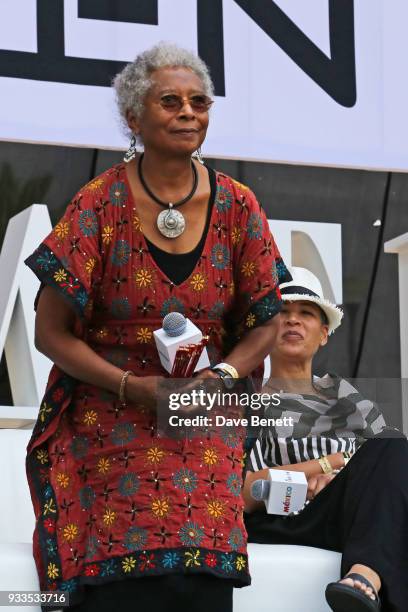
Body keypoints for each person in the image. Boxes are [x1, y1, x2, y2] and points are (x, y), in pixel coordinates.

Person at [24, 43, 291, 611]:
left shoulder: (239, 205)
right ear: (133, 118)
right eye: (170, 101)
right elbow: (51, 333)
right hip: (108, 403)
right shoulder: (97, 203)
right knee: (121, 570)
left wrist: (220, 377)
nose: (189, 112)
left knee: (202, 549)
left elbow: (267, 321)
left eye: (199, 102)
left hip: (203, 403)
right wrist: (132, 388)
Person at [243, 266, 408, 612]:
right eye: (283, 313)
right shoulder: (247, 397)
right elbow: (237, 492)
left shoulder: (349, 398)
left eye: (305, 313)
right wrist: (321, 467)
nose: (293, 321)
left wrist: (339, 480)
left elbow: (388, 475)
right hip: (282, 520)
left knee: (393, 443)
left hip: (344, 516)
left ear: (324, 334)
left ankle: (363, 578)